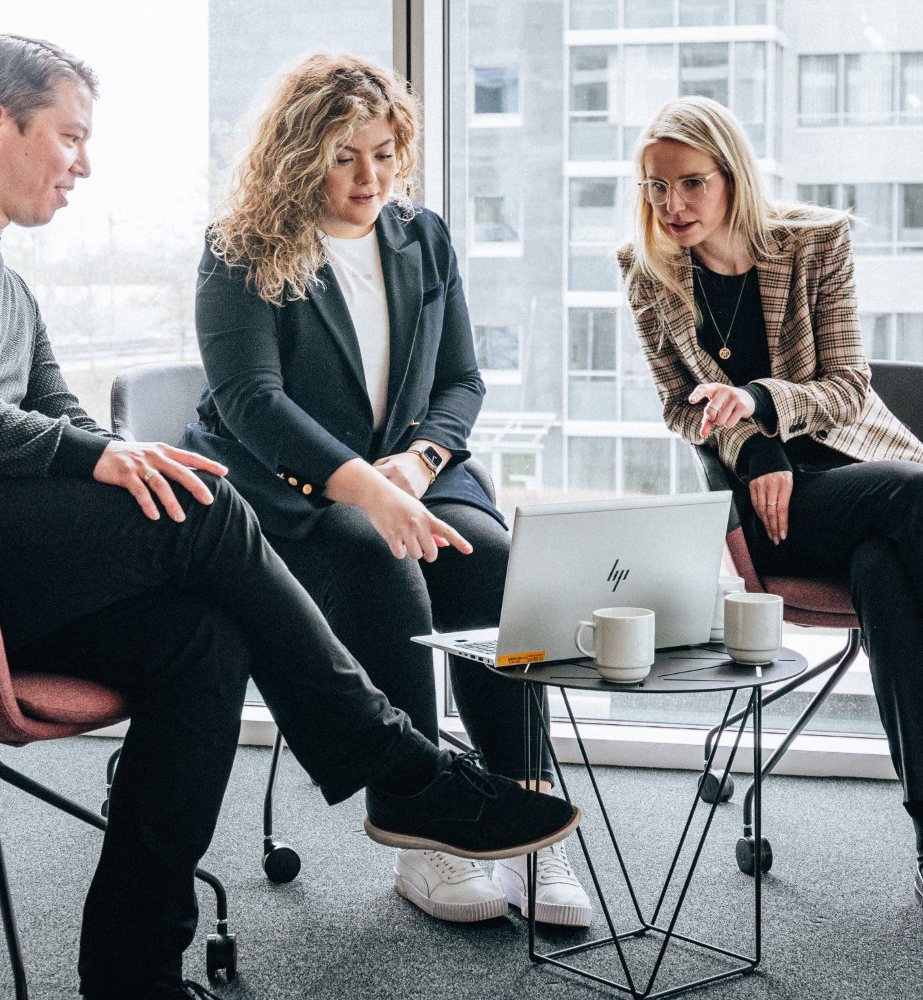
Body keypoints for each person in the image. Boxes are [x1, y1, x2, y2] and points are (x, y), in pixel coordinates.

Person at [0, 35, 577, 999]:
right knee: (208, 507)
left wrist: (105, 454)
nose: (83, 163)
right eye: (68, 136)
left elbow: (57, 410)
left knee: (204, 643)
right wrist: (100, 457)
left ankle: (131, 976)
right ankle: (398, 761)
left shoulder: (7, 282)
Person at [615, 96, 923, 949]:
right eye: (656, 187)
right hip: (777, 510)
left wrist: (764, 400)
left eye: (691, 183)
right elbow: (675, 407)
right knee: (914, 496)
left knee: (886, 564)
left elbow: (846, 382)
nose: (672, 205)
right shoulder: (647, 272)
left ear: (733, 177)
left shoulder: (814, 243)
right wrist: (753, 448)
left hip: (854, 475)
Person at [186, 53, 591, 927]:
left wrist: (419, 464)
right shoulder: (242, 248)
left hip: (411, 471)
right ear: (300, 157)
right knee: (383, 564)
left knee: (494, 566)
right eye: (343, 155)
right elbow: (250, 402)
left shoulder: (421, 235)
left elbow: (463, 383)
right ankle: (418, 828)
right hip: (286, 491)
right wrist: (369, 489)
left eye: (382, 152)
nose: (369, 176)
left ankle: (526, 818)